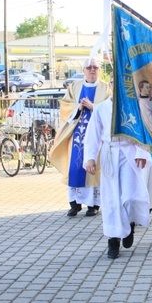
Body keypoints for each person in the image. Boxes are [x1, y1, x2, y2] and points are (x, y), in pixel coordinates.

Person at [84, 96, 151, 259]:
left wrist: (142, 152)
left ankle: (129, 223)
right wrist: (90, 157)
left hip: (129, 153)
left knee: (129, 195)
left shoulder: (133, 105)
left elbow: (144, 130)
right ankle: (113, 239)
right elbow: (93, 133)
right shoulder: (101, 108)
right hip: (110, 154)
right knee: (111, 199)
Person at [50, 58, 110, 217]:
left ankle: (93, 204)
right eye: (89, 67)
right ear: (83, 70)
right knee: (75, 167)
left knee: (93, 169)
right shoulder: (75, 87)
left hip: (96, 136)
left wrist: (93, 107)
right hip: (76, 135)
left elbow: (111, 110)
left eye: (95, 67)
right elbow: (65, 107)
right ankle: (74, 204)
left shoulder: (106, 89)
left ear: (99, 70)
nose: (92, 70)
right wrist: (78, 107)